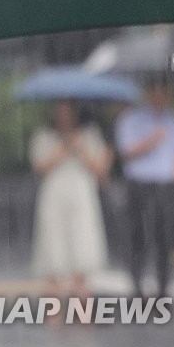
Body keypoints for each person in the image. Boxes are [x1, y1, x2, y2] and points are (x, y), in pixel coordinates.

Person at [115, 77, 174, 298]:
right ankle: (137, 286)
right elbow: (126, 152)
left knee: (165, 238)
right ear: (149, 94)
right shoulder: (130, 119)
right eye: (156, 92)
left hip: (166, 187)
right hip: (140, 185)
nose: (160, 98)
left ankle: (163, 288)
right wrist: (151, 140)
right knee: (138, 236)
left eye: (164, 93)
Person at [30, 100, 112, 301]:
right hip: (54, 194)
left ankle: (81, 299)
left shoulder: (89, 135)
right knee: (53, 243)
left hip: (81, 194)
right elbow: (40, 168)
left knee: (82, 242)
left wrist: (80, 149)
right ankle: (54, 301)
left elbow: (100, 171)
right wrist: (63, 149)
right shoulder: (43, 136)